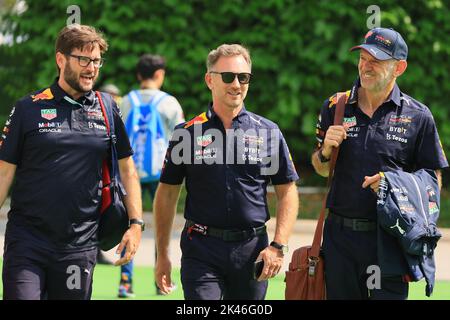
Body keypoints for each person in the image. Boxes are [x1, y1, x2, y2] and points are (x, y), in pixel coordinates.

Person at [0, 24, 144, 300]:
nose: (92, 68)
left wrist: (136, 224)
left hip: (79, 247)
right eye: (84, 60)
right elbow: (4, 173)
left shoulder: (107, 107)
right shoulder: (28, 108)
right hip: (28, 243)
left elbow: (127, 169)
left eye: (97, 61)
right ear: (60, 59)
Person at [154, 44, 299, 300]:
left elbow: (287, 191)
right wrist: (162, 253)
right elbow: (166, 194)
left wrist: (277, 245)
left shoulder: (267, 131)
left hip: (252, 250)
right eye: (228, 76)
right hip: (201, 249)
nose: (236, 84)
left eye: (243, 78)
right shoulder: (186, 133)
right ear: (210, 80)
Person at [312, 27, 448, 300]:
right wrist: (325, 150)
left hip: (388, 240)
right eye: (363, 58)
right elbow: (320, 168)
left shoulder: (418, 115)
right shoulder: (335, 106)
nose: (366, 66)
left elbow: (433, 180)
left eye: (377, 60)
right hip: (340, 238)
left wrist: (395, 184)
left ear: (399, 67)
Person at [117, 54, 184, 298]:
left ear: (138, 75)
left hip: (129, 174)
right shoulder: (170, 102)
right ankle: (161, 282)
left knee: (130, 227)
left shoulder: (125, 101)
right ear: (160, 74)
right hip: (160, 174)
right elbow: (181, 138)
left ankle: (125, 284)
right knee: (161, 228)